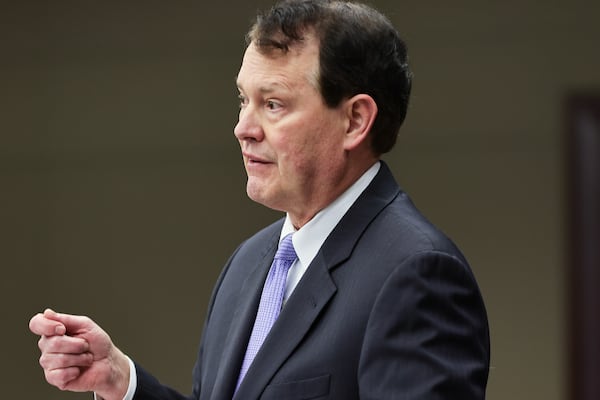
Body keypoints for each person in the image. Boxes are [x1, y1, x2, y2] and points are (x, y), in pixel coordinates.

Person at [29, 0, 490, 399]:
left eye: (273, 104)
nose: (243, 129)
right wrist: (121, 381)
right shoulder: (248, 263)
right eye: (242, 100)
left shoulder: (416, 274)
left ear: (354, 121)